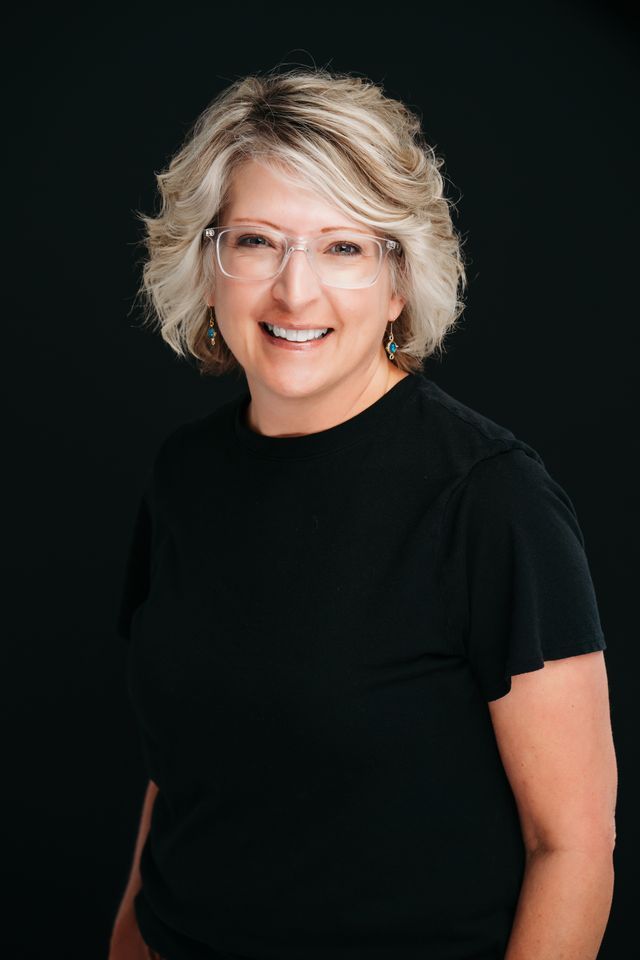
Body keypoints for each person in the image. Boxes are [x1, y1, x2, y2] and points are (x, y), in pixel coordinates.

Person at [109, 66, 617, 960]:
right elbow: (181, 771)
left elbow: (571, 846)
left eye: (343, 247)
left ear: (398, 280)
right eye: (259, 241)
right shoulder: (183, 473)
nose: (294, 292)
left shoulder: (493, 498)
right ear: (205, 261)